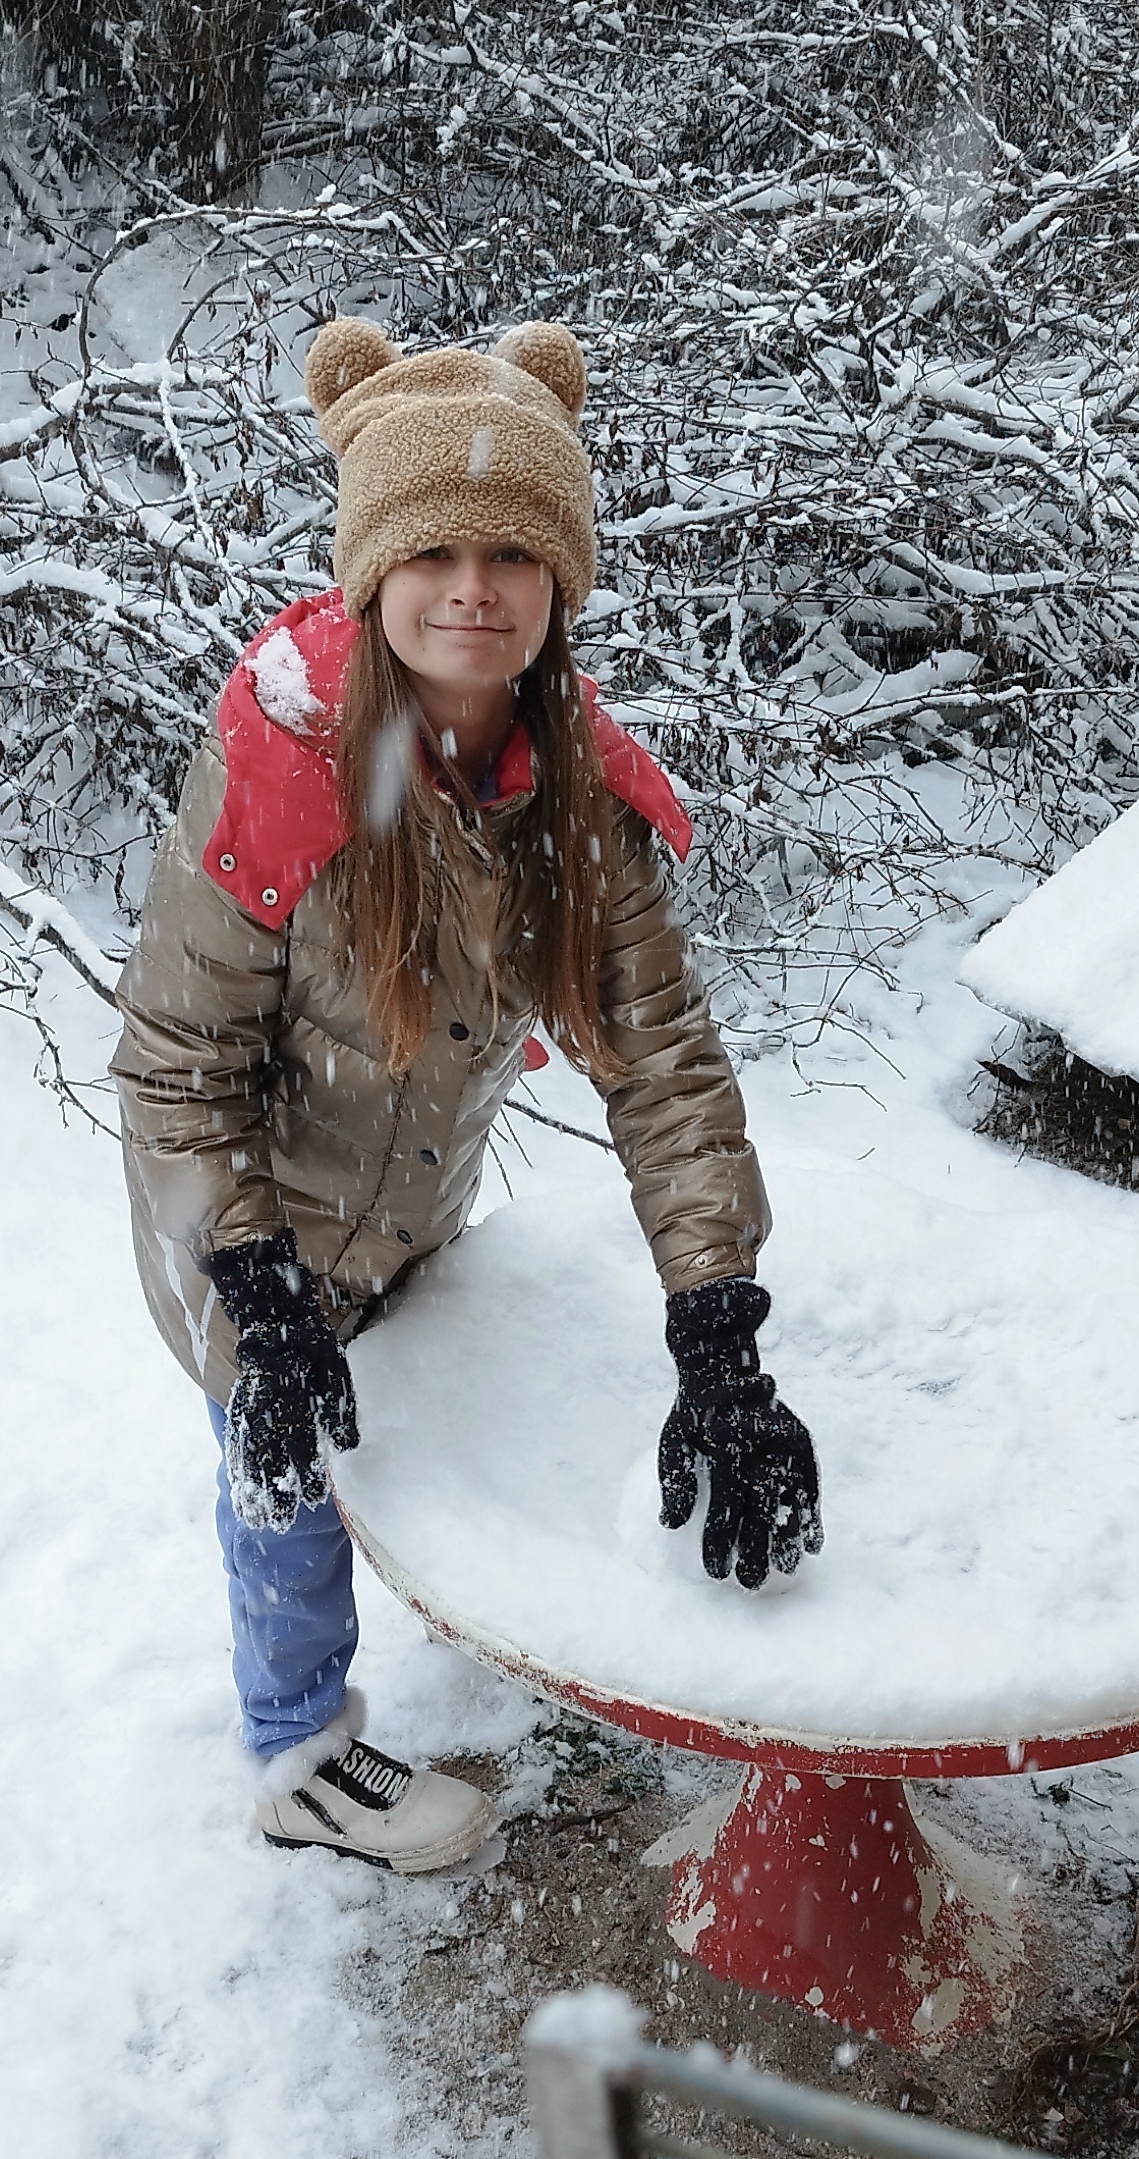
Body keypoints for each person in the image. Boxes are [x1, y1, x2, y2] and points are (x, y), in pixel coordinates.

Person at [112, 315, 821, 1874]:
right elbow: (174, 1071)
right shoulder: (284, 773)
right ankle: (298, 1747)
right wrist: (257, 1288)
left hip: (410, 1200)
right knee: (281, 1468)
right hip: (246, 1214)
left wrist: (721, 1333)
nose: (473, 586)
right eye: (433, 547)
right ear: (376, 569)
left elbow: (667, 1070)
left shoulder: (572, 795)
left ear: (560, 578)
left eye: (513, 550)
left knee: (401, 1423)